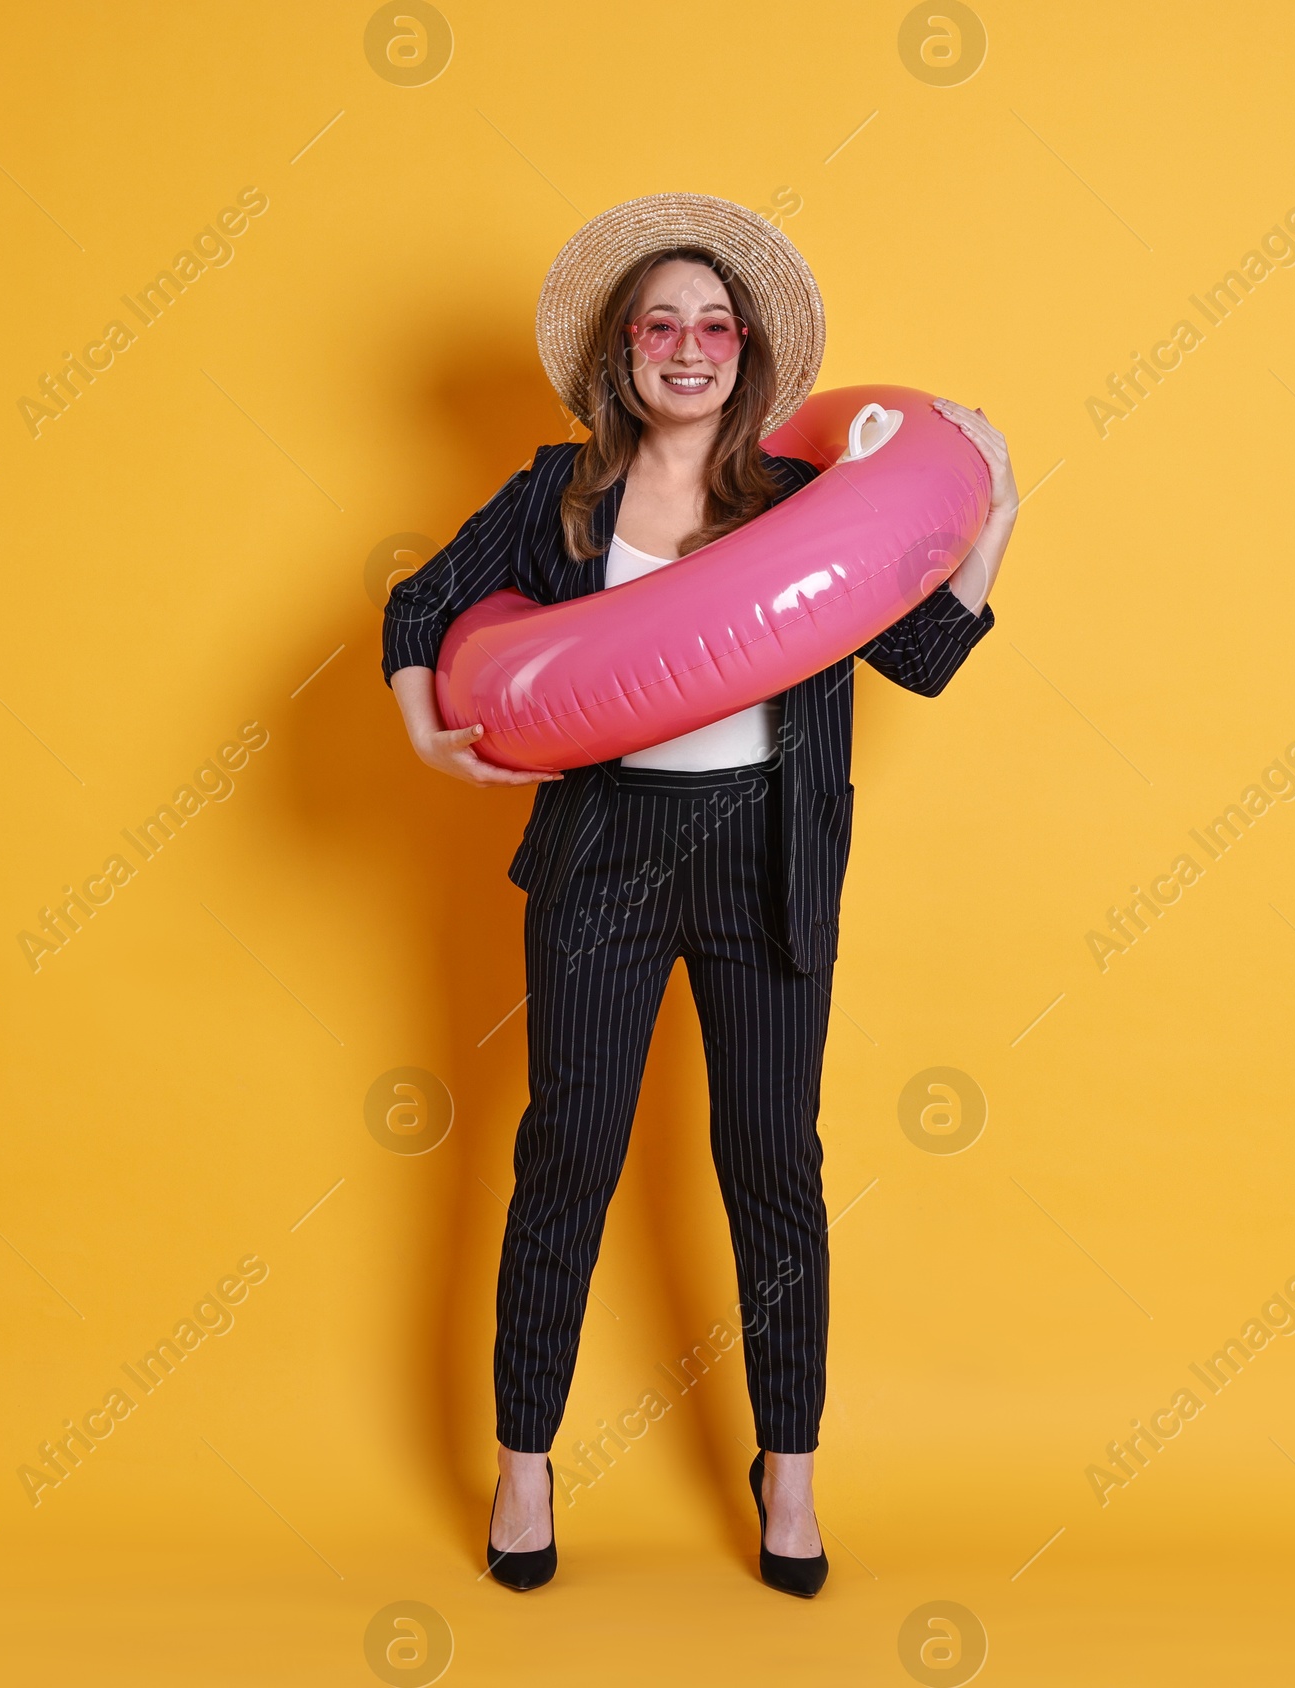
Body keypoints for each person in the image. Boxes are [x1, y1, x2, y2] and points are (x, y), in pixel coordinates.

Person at [383, 193, 1016, 1597]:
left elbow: (913, 657)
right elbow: (424, 607)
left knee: (774, 1163)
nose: (688, 347)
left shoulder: (807, 506)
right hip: (605, 852)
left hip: (769, 856)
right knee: (571, 1155)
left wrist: (992, 520)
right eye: (659, 324)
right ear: (623, 352)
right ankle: (526, 1466)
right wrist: (425, 718)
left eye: (713, 326)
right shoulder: (556, 492)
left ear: (746, 355)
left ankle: (788, 1474)